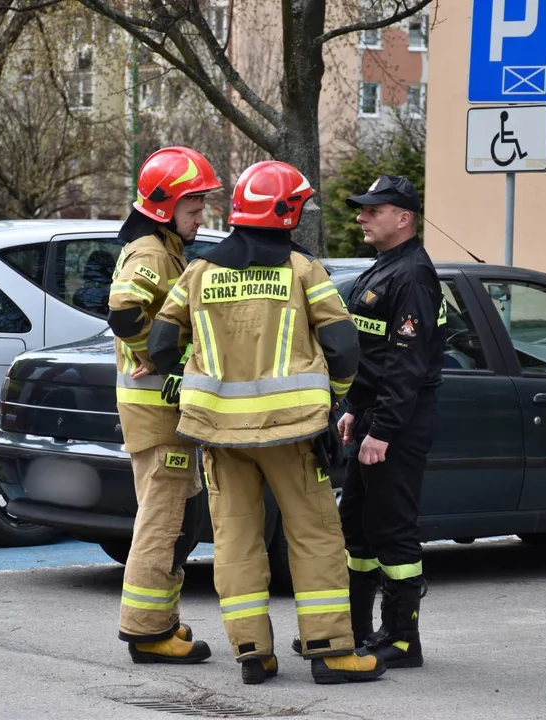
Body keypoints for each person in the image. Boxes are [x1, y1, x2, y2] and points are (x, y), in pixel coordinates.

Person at [148, 160, 385, 686]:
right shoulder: (303, 270)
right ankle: (330, 652)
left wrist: (197, 374)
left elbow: (162, 345)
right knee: (316, 535)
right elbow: (345, 348)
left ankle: (253, 653)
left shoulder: (199, 272)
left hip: (217, 435)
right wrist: (334, 400)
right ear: (287, 211)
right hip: (292, 432)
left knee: (235, 541)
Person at [106, 146, 221, 664]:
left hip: (167, 416)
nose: (202, 220)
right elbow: (125, 313)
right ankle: (148, 632)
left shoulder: (166, 247)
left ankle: (161, 618)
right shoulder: (151, 251)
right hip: (156, 417)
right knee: (165, 523)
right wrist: (161, 352)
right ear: (163, 207)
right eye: (194, 211)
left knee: (184, 517)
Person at [336, 174, 445, 669]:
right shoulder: (384, 268)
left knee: (393, 532)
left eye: (372, 210)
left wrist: (381, 431)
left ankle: (402, 640)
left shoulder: (413, 276)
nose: (361, 216)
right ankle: (356, 631)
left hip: (397, 426)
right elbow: (372, 354)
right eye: (362, 209)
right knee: (357, 528)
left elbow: (407, 365)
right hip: (373, 417)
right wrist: (355, 410)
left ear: (403, 218)